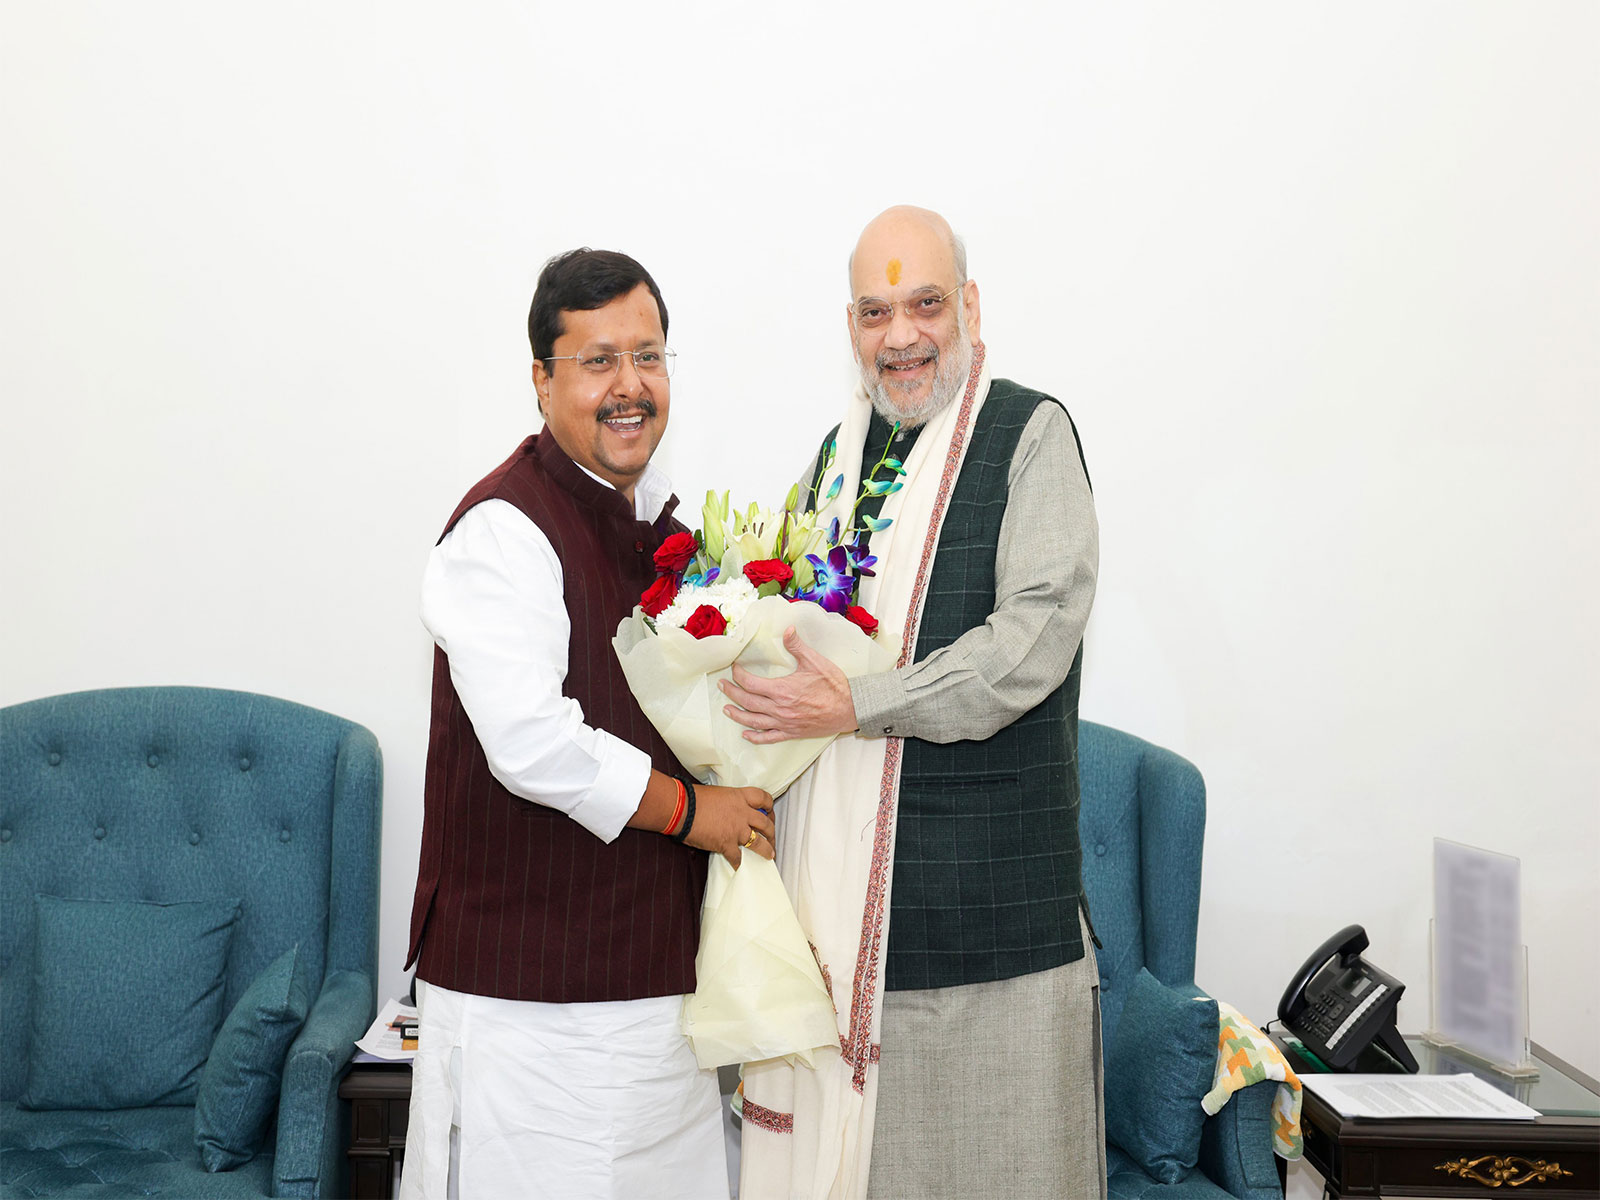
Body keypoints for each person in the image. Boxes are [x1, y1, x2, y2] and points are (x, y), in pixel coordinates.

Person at [726, 207, 1103, 1199]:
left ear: (969, 307)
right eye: (874, 311)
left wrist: (856, 701)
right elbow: (779, 634)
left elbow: (1026, 650)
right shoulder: (834, 467)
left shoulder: (1030, 436)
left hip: (992, 941)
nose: (901, 336)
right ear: (849, 328)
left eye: (925, 304)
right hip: (843, 939)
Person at [399, 248, 774, 1200]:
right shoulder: (502, 529)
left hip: (651, 998)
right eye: (597, 360)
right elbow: (533, 744)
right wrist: (698, 814)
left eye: (647, 356)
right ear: (541, 378)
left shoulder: (648, 526)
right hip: (529, 1015)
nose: (629, 386)